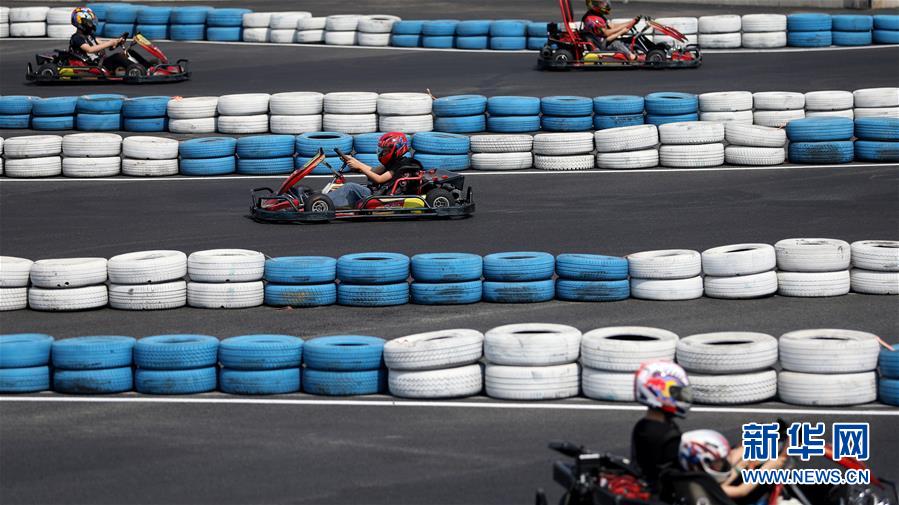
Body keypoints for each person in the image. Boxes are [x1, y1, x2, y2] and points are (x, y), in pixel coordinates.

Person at [678, 429, 788, 504]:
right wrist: (768, 467)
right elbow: (742, 491)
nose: (723, 464)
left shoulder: (697, 478)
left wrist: (740, 466)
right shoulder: (700, 486)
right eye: (718, 462)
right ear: (700, 464)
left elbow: (722, 483)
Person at [630, 361, 692, 490]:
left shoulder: (643, 426)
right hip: (665, 492)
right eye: (676, 392)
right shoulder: (664, 434)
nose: (680, 397)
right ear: (660, 392)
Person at [327, 132, 422, 209]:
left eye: (386, 150)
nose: (383, 153)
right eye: (382, 150)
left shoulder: (401, 165)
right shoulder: (394, 162)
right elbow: (373, 171)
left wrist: (360, 167)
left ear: (397, 149)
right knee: (350, 186)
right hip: (379, 190)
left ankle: (324, 202)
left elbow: (379, 179)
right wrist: (355, 161)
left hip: (382, 196)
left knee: (350, 187)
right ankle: (325, 200)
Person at [69, 7, 129, 73]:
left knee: (122, 56)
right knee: (117, 57)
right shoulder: (77, 38)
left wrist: (117, 41)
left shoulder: (89, 35)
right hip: (92, 65)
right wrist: (110, 43)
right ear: (80, 22)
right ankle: (134, 70)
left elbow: (102, 44)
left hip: (100, 62)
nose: (92, 24)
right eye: (89, 22)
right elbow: (90, 49)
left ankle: (134, 68)